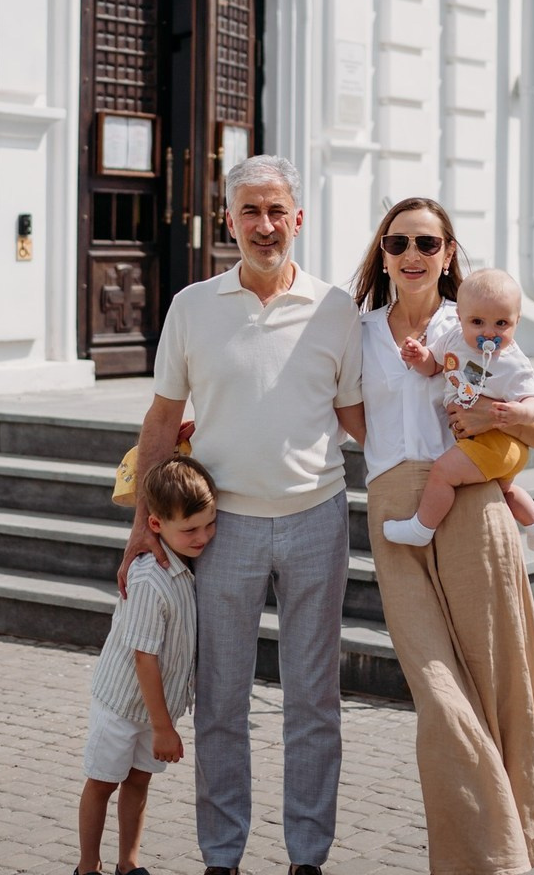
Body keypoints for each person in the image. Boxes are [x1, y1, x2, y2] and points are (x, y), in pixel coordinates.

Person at [118, 155, 364, 875]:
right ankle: (221, 857)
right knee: (222, 700)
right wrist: (143, 527)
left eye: (276, 210)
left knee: (313, 701)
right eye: (249, 212)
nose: (264, 225)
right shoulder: (192, 306)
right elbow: (163, 420)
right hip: (222, 530)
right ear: (229, 221)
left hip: (317, 517)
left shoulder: (335, 308)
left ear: (298, 217)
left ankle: (307, 857)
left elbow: (357, 416)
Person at [351, 197, 534, 873]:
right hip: (396, 513)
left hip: (474, 507)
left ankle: (503, 853)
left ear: (448, 254)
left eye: (427, 242)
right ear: (382, 254)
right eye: (397, 243)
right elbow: (337, 411)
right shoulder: (355, 333)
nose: (411, 254)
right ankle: (498, 852)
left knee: (499, 683)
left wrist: (501, 416)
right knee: (440, 695)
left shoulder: (475, 321)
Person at [77, 456, 219, 875]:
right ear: (155, 525)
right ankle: (87, 866)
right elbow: (144, 657)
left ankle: (129, 863)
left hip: (156, 710)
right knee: (102, 783)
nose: (204, 537)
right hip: (123, 707)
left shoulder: (188, 566)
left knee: (139, 783)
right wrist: (162, 727)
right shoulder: (148, 578)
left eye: (209, 524)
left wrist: (161, 721)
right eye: (190, 529)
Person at [385, 267, 534, 551]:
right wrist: (420, 356)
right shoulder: (453, 339)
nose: (489, 332)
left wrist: (519, 412)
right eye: (477, 322)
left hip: (496, 441)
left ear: (517, 321)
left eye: (502, 323)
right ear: (459, 317)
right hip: (492, 449)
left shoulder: (513, 363)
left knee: (442, 473)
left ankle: (421, 528)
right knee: (505, 489)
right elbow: (435, 366)